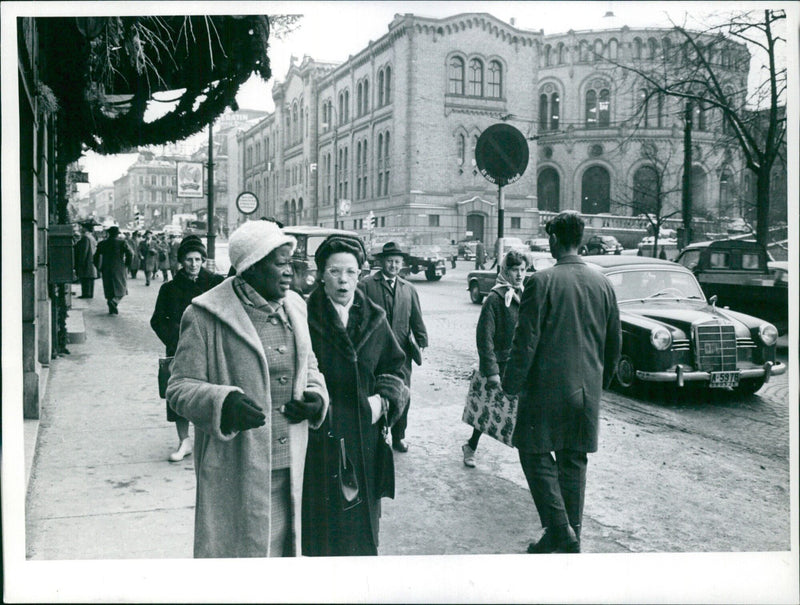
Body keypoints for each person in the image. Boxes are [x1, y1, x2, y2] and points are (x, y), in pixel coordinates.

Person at [166, 220, 329, 558]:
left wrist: (316, 395)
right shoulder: (204, 315)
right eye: (280, 263)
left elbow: (309, 365)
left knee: (284, 564)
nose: (290, 272)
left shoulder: (296, 305)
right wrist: (223, 403)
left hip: (291, 470)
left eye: (291, 262)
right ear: (251, 267)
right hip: (237, 473)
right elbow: (179, 388)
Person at [502, 211, 621, 554]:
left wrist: (510, 385)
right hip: (587, 392)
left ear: (554, 239)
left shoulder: (541, 281)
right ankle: (571, 537)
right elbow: (614, 343)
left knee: (532, 451)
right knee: (573, 461)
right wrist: (603, 383)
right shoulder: (604, 284)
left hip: (545, 392)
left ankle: (559, 529)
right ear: (580, 240)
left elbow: (524, 343)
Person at [304, 235, 408, 556]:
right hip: (320, 435)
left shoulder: (374, 316)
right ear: (321, 274)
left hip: (365, 434)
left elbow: (395, 365)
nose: (343, 280)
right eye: (335, 271)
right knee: (323, 530)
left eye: (351, 272)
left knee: (362, 527)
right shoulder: (303, 315)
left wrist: (382, 403)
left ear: (361, 274)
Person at [150, 236, 225, 462]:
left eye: (197, 259)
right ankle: (184, 440)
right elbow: (157, 320)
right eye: (188, 260)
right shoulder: (169, 288)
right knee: (180, 394)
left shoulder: (215, 283)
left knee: (211, 391)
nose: (193, 264)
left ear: (203, 260)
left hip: (211, 347)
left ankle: (211, 439)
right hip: (179, 349)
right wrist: (178, 340)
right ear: (181, 261)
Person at [359, 241, 428, 453]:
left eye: (397, 262)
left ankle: (399, 436)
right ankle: (375, 436)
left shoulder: (409, 289)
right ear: (382, 262)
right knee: (375, 393)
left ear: (402, 264)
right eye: (389, 261)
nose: (393, 266)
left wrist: (422, 341)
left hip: (401, 354)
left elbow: (416, 318)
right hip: (373, 352)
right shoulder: (366, 285)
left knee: (402, 394)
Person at [461, 249, 528, 468]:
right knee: (487, 410)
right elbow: (485, 337)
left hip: (519, 365)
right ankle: (471, 446)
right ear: (505, 271)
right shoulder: (495, 298)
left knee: (521, 411)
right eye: (515, 270)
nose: (519, 275)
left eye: (523, 269)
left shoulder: (525, 294)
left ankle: (532, 460)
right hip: (499, 365)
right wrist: (491, 371)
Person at [93, 225, 133, 315]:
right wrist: (127, 264)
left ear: (109, 233)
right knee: (122, 287)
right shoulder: (122, 242)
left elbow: (95, 257)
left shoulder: (102, 243)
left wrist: (98, 267)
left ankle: (111, 306)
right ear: (117, 234)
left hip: (106, 267)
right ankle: (114, 302)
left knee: (108, 286)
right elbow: (130, 254)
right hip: (119, 267)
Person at [74, 221, 98, 298]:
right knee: (90, 280)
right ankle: (89, 294)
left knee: (86, 279)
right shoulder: (92, 238)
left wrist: (80, 262)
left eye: (82, 227)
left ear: (85, 228)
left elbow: (84, 251)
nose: (81, 229)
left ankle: (86, 294)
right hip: (92, 262)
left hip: (87, 263)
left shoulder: (85, 238)